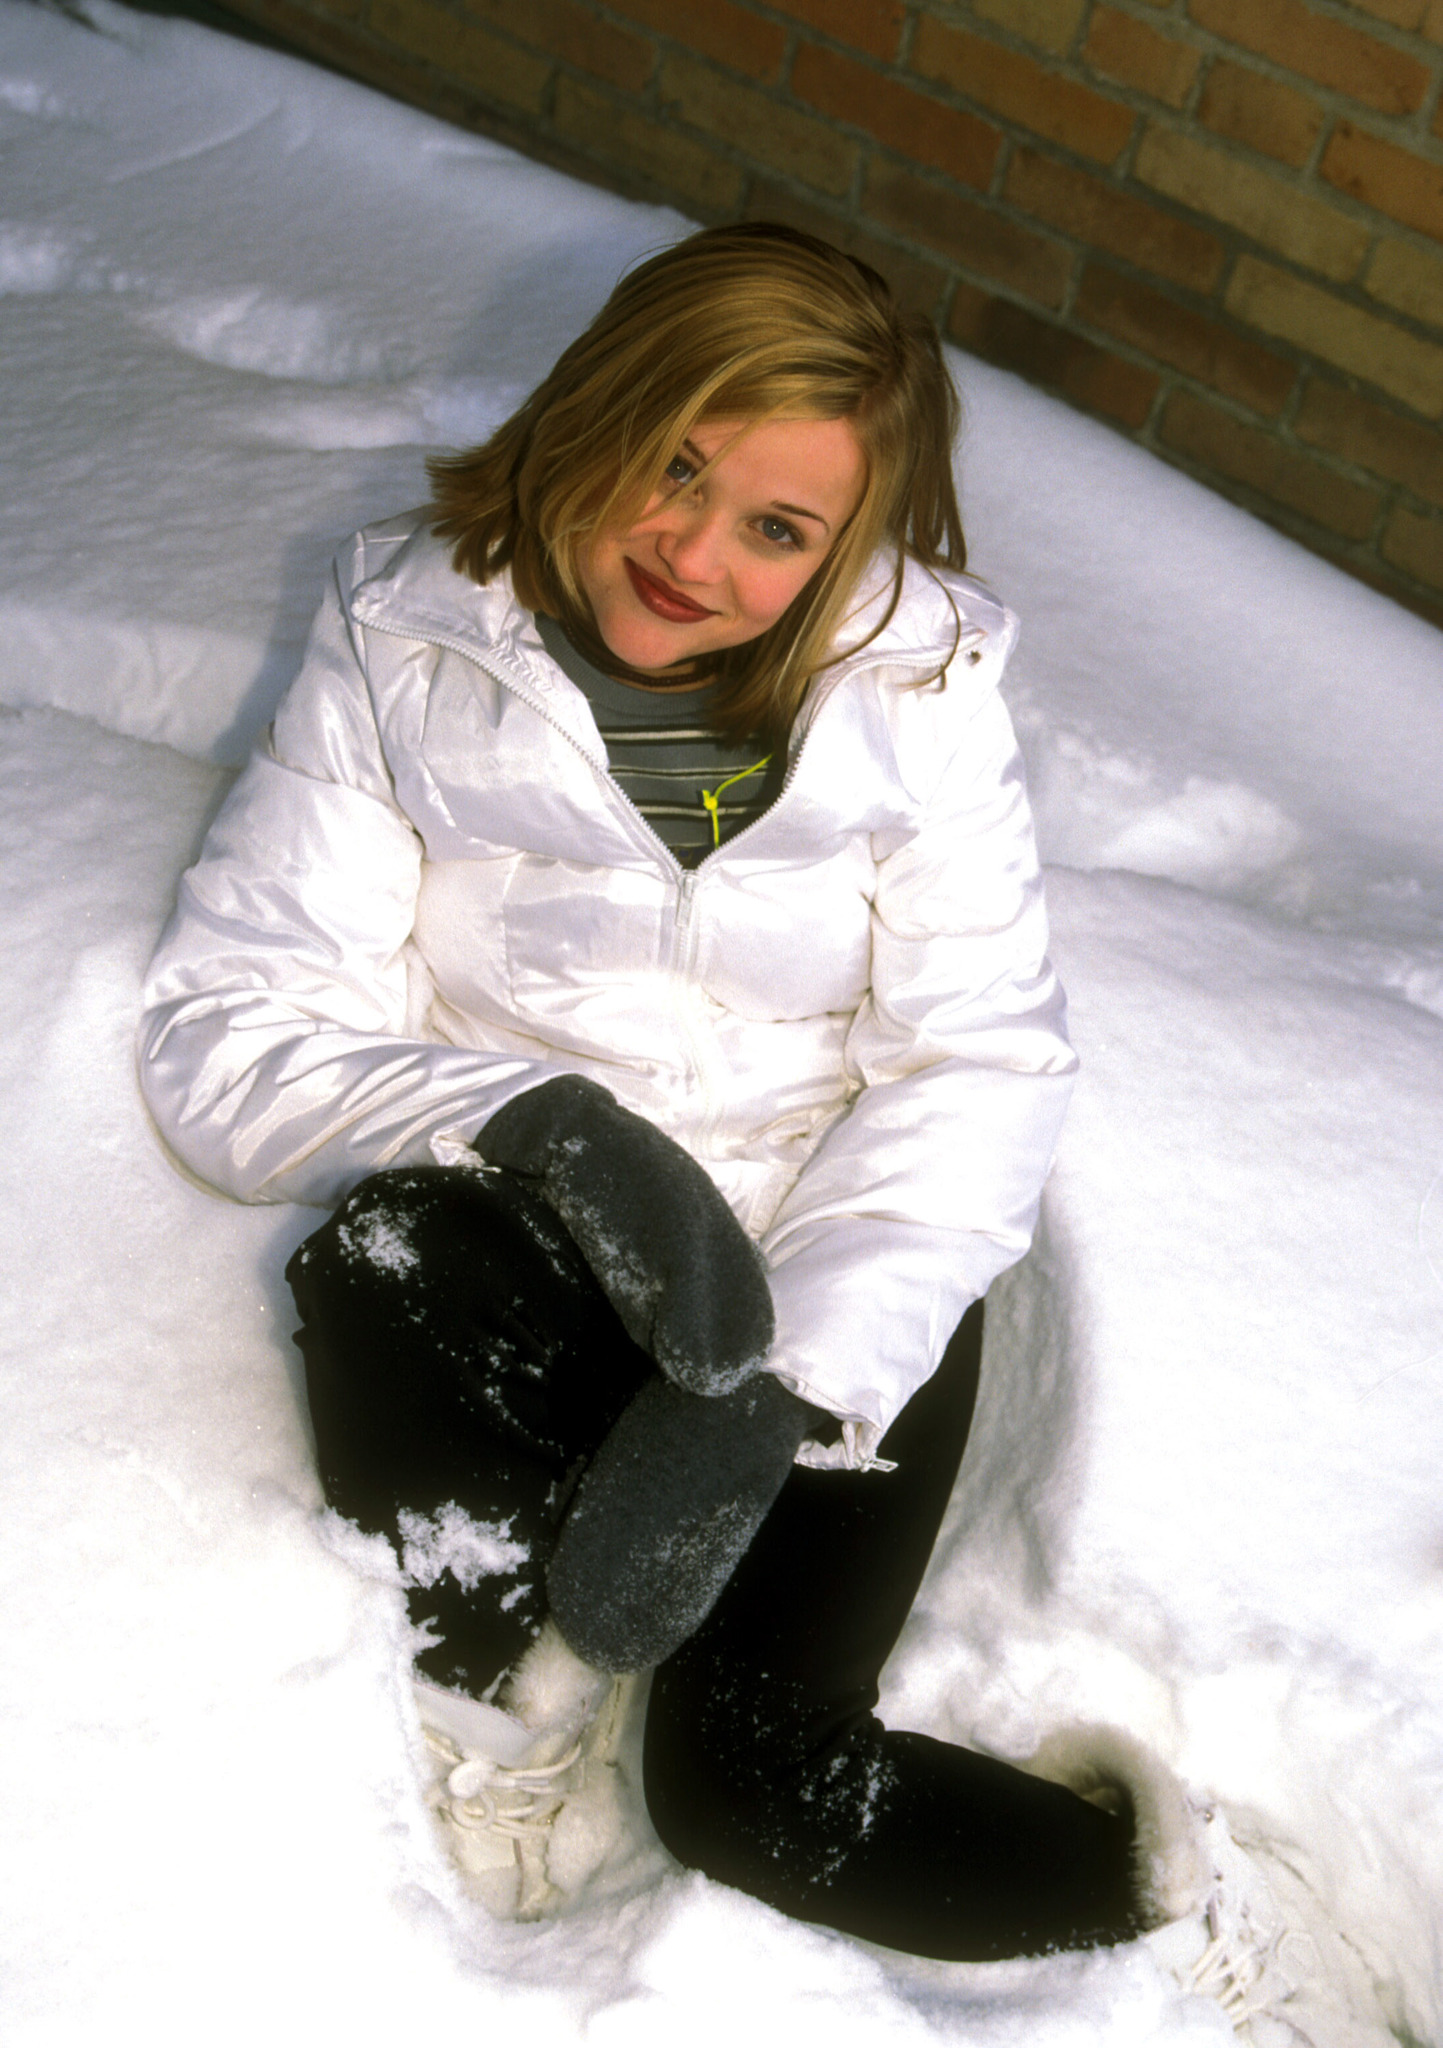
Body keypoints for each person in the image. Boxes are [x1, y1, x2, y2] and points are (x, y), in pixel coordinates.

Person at [138, 222, 1172, 1961]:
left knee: (754, 1795)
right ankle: (505, 1691)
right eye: (672, 466)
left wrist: (784, 1384)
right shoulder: (408, 638)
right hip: (546, 1239)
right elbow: (228, 1029)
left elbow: (979, 1064)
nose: (694, 553)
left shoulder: (916, 699)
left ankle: (1150, 1895)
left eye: (779, 529)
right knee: (384, 1259)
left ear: (850, 553)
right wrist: (543, 1129)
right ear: (596, 410)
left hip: (842, 1256)